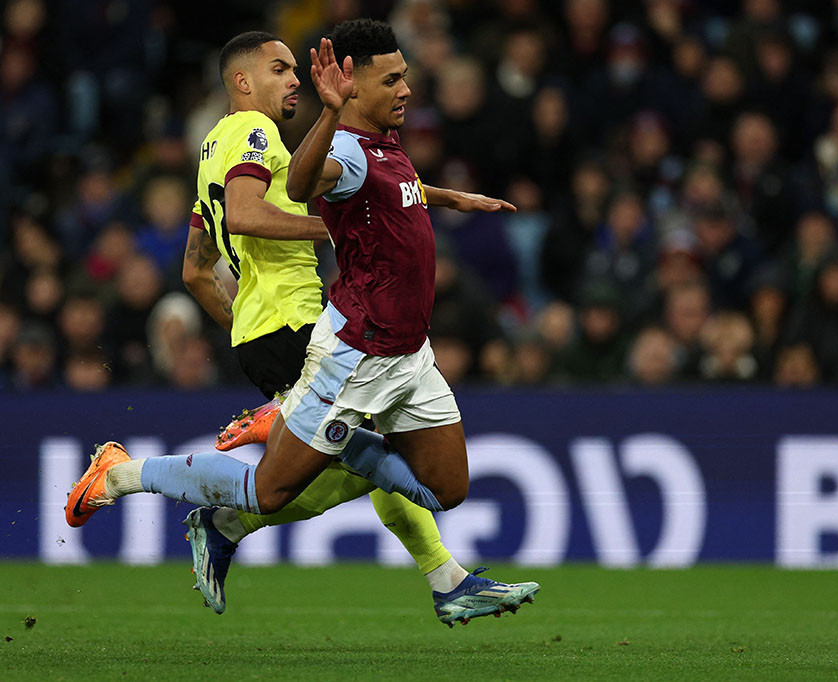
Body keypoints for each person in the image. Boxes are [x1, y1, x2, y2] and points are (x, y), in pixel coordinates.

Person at [65, 29, 537, 626]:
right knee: (294, 483)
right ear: (242, 82)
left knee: (363, 467)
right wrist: (339, 235)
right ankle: (142, 480)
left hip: (277, 328)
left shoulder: (215, 148)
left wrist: (243, 327)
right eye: (280, 69)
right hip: (304, 325)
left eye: (295, 69)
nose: (293, 80)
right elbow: (247, 214)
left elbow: (195, 267)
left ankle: (445, 578)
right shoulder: (255, 134)